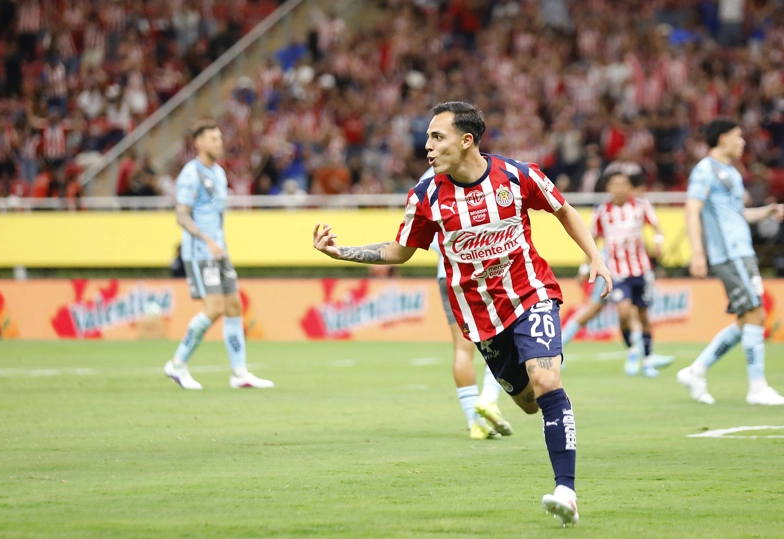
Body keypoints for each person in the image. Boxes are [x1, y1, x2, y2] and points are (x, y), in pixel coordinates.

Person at [312, 102, 612, 526]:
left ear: (466, 140)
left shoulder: (518, 176)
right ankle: (544, 420)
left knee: (547, 380)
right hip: (481, 318)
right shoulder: (427, 196)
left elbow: (563, 209)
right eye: (429, 139)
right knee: (528, 404)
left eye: (438, 138)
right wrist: (340, 252)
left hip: (532, 294)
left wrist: (595, 258)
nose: (428, 147)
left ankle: (566, 491)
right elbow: (399, 251)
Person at [677, 118, 784, 405]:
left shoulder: (732, 173)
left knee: (748, 318)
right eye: (739, 136)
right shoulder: (705, 170)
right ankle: (757, 387)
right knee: (755, 313)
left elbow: (738, 214)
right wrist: (698, 253)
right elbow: (692, 208)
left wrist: (767, 212)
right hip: (729, 253)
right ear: (723, 138)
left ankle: (695, 371)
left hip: (743, 251)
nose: (743, 142)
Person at [164, 120, 273, 391]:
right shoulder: (191, 174)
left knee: (234, 307)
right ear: (198, 143)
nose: (219, 143)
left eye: (220, 138)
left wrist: (220, 243)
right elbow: (181, 215)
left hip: (219, 251)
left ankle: (239, 373)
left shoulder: (220, 173)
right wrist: (207, 240)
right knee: (214, 309)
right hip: (201, 252)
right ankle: (177, 364)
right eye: (213, 138)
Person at [429, 220, 510, 440]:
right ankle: (488, 398)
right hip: (484, 273)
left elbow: (424, 238)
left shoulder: (428, 190)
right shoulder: (480, 188)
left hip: (447, 275)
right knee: (504, 340)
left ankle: (475, 423)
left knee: (462, 349)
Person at [587, 170, 673, 377]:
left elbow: (657, 228)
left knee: (643, 315)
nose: (620, 188)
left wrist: (659, 243)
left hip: (641, 270)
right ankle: (633, 351)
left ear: (629, 187)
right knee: (624, 312)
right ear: (608, 188)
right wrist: (586, 266)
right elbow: (592, 240)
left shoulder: (641, 206)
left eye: (624, 184)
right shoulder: (602, 211)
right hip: (617, 272)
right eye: (615, 184)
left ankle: (648, 360)